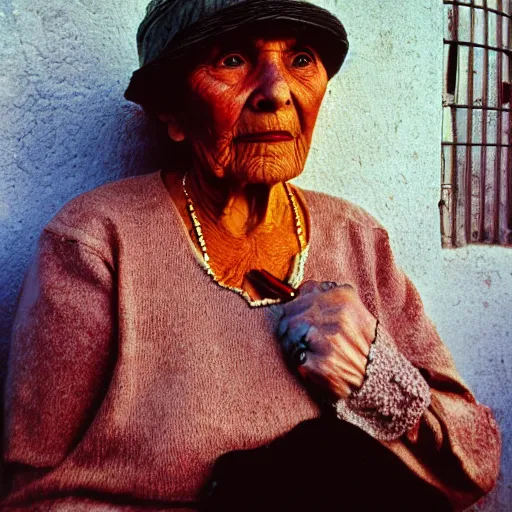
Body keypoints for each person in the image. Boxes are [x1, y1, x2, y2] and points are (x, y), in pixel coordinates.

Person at [1, 0, 501, 510]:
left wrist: (372, 375)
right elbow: (31, 497)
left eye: (301, 58)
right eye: (232, 60)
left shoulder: (355, 237)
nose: (277, 91)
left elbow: (476, 461)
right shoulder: (95, 243)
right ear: (171, 110)